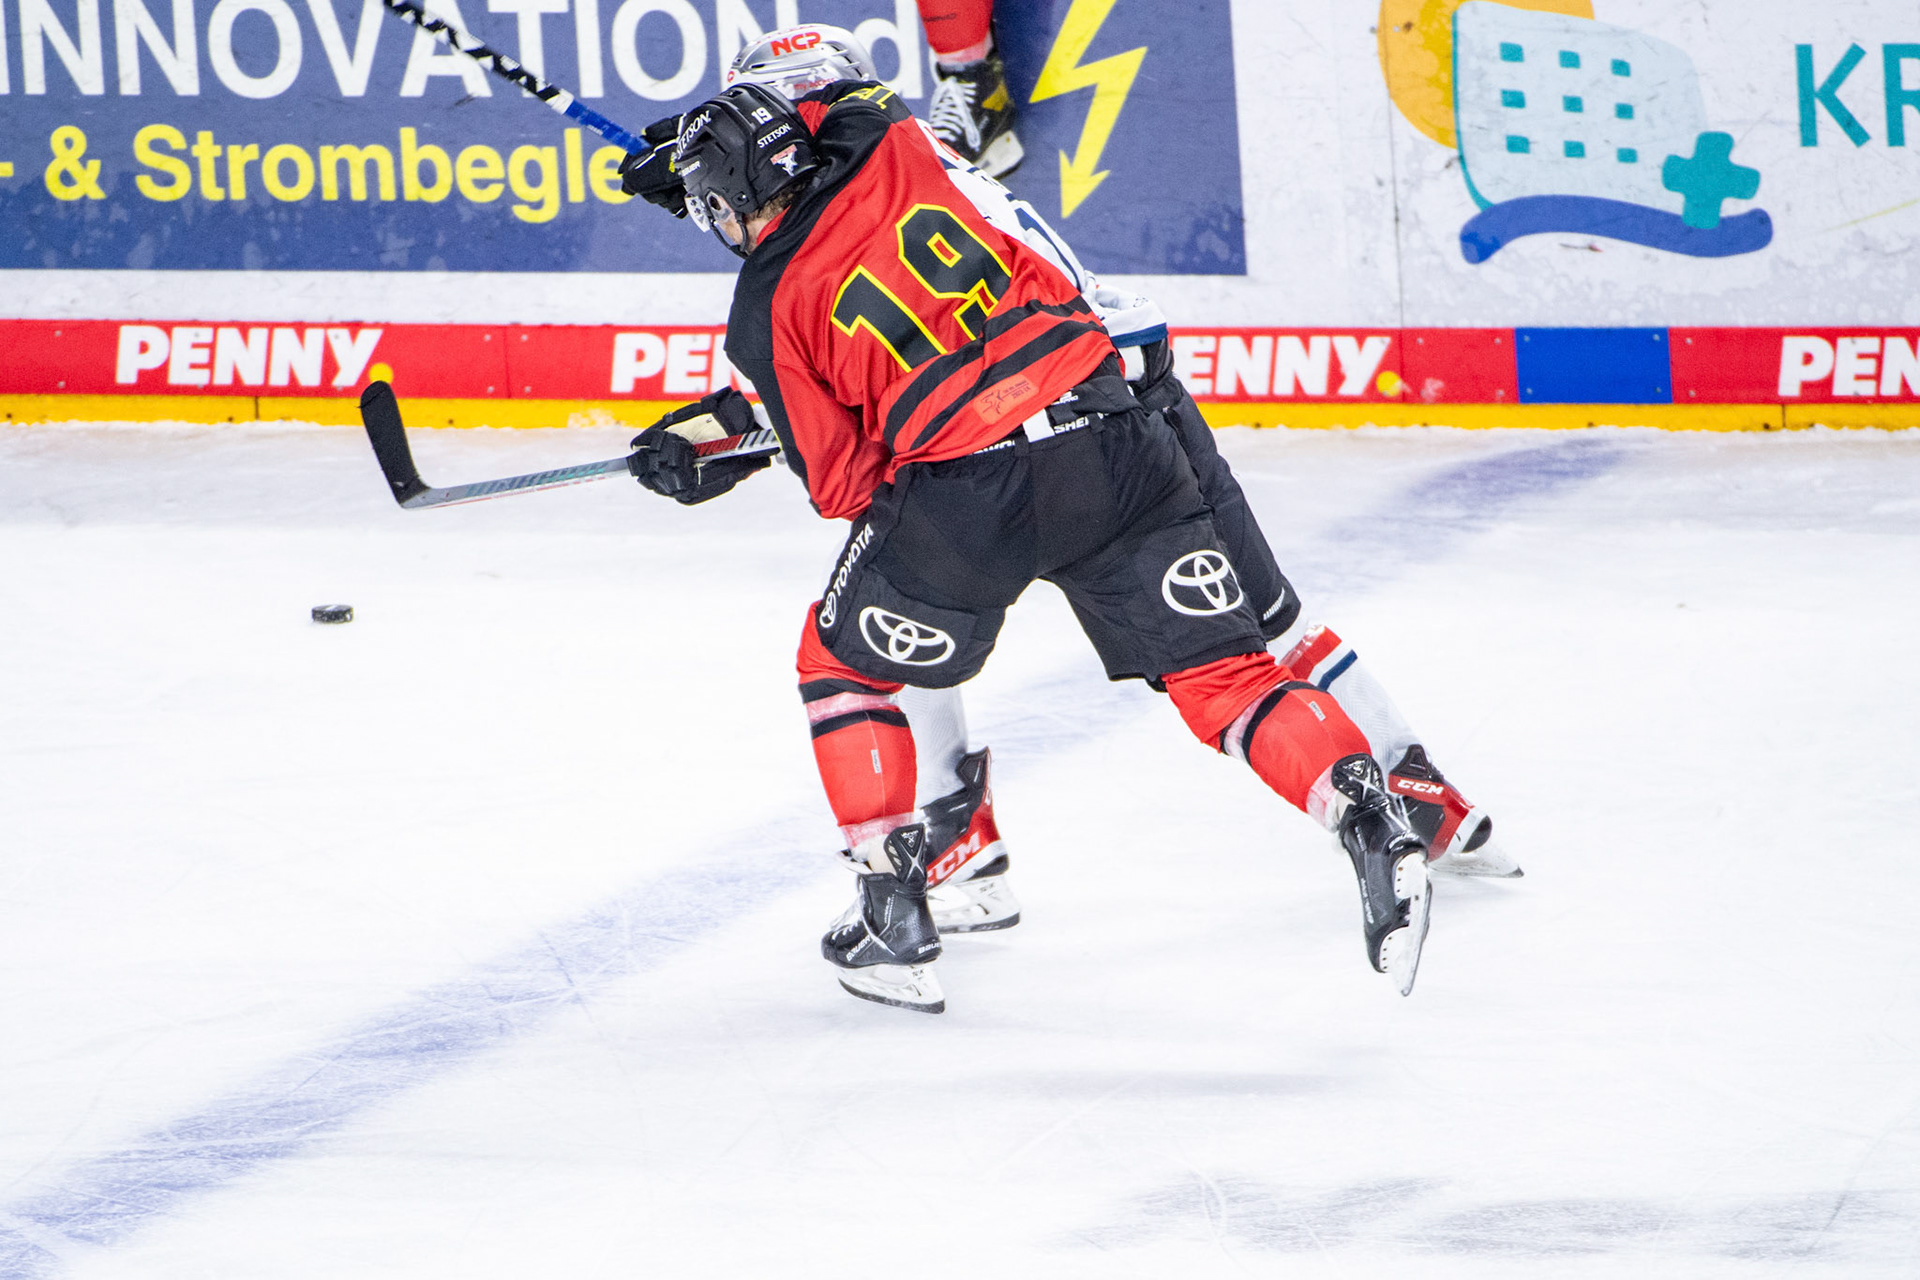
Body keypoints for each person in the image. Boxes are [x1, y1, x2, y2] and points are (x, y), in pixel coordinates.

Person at [617, 25, 1519, 950]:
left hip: (1087, 398)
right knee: (1241, 644)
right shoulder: (903, 146)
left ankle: (951, 845)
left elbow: (852, 397)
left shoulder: (865, 152)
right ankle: (1394, 795)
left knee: (917, 587)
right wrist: (702, 172)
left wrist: (749, 408)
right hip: (1109, 397)